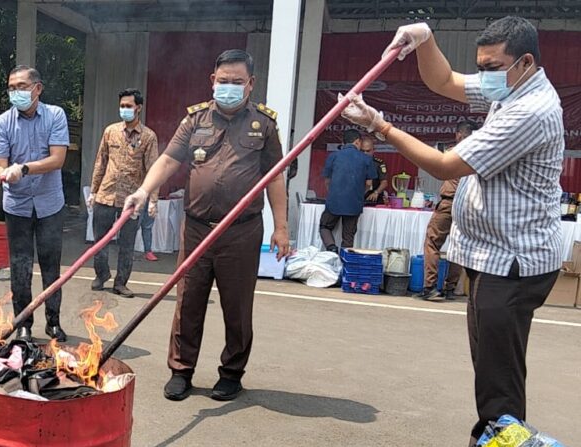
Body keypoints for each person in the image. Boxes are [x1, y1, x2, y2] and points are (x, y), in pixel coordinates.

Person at [343, 16, 564, 447]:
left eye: (492, 67)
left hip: (514, 261)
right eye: (480, 66)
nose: (482, 75)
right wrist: (426, 39)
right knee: (491, 370)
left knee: (499, 381)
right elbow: (443, 81)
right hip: (493, 255)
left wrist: (380, 125)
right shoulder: (510, 89)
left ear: (525, 63)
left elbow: (445, 165)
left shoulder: (529, 109)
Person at [123, 49, 292, 402]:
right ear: (212, 81)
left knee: (237, 305)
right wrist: (142, 191)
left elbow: (275, 178)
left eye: (236, 82)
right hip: (198, 227)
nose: (228, 87)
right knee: (188, 301)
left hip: (241, 231)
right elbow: (169, 161)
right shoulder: (195, 121)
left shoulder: (265, 125)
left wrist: (281, 227)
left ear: (251, 85)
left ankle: (231, 374)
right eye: (223, 81)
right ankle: (181, 371)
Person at [0, 65, 69, 343]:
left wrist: (24, 168)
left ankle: (53, 322)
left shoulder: (55, 115)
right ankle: (23, 324)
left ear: (37, 89)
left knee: (50, 265)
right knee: (20, 267)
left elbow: (57, 159)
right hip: (17, 205)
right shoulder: (2, 123)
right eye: (11, 87)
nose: (15, 92)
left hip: (49, 205)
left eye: (21, 86)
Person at [88, 88, 159, 297]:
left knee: (126, 244)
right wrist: (93, 191)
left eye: (128, 106)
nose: (124, 109)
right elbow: (101, 161)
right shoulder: (111, 131)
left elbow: (154, 169)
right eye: (122, 106)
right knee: (100, 240)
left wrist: (153, 200)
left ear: (139, 108)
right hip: (105, 194)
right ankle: (101, 275)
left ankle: (121, 282)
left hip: (131, 199)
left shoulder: (148, 137)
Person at [418, 121, 479, 301]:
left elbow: (436, 162)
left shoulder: (453, 152)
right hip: (468, 207)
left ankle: (430, 287)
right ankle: (450, 288)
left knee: (432, 242)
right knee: (458, 246)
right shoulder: (479, 153)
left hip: (448, 202)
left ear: (459, 135)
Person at [319, 129, 379, 253]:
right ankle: (345, 262)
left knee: (325, 226)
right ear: (357, 142)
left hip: (334, 200)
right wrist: (358, 193)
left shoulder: (334, 156)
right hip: (354, 202)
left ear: (343, 142)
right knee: (348, 236)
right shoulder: (366, 159)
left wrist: (333, 192)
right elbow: (368, 184)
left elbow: (327, 181)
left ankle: (332, 249)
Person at [360, 136, 391, 204]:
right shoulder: (355, 163)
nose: (365, 153)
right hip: (358, 196)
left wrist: (376, 192)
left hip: (374, 196)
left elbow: (384, 182)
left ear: (373, 150)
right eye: (362, 151)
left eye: (368, 151)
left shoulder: (378, 163)